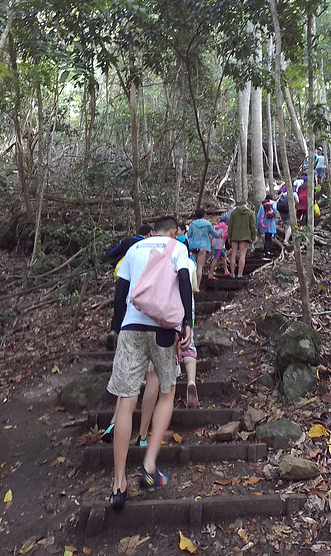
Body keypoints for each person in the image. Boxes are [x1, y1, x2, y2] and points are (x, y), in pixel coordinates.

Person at [107, 216, 193, 510]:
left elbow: (121, 294)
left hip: (132, 328)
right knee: (167, 393)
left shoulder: (134, 249)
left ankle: (119, 484)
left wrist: (116, 328)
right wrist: (188, 323)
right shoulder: (177, 247)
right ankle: (149, 466)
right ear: (173, 231)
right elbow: (184, 280)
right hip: (164, 331)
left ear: (151, 230)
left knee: (126, 401)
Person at [185, 208, 220, 288]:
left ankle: (190, 285)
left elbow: (189, 235)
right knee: (200, 267)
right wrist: (220, 235)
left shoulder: (192, 224)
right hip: (203, 247)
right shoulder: (208, 224)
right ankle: (197, 286)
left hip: (193, 246)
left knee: (193, 266)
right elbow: (215, 234)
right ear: (204, 215)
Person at [227, 200, 256, 278]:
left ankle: (232, 274)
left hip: (234, 236)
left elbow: (230, 225)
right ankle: (240, 274)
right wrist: (253, 237)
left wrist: (229, 236)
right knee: (242, 255)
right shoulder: (250, 213)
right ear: (246, 204)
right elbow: (253, 227)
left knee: (233, 255)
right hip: (245, 236)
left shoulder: (234, 213)